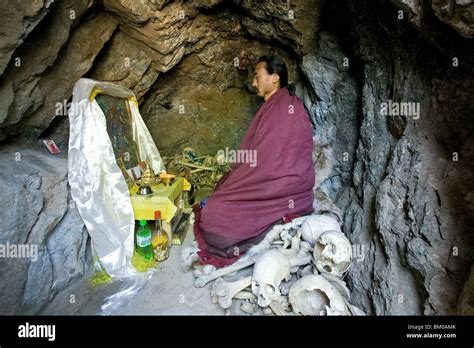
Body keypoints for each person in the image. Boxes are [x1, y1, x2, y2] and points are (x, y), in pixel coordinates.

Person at [195, 55, 315, 264]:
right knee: (222, 189)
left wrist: (242, 177)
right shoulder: (277, 106)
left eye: (257, 77)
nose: (253, 83)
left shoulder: (286, 108)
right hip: (274, 181)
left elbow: (275, 161)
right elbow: (261, 155)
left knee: (216, 219)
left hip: (284, 188)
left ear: (275, 78)